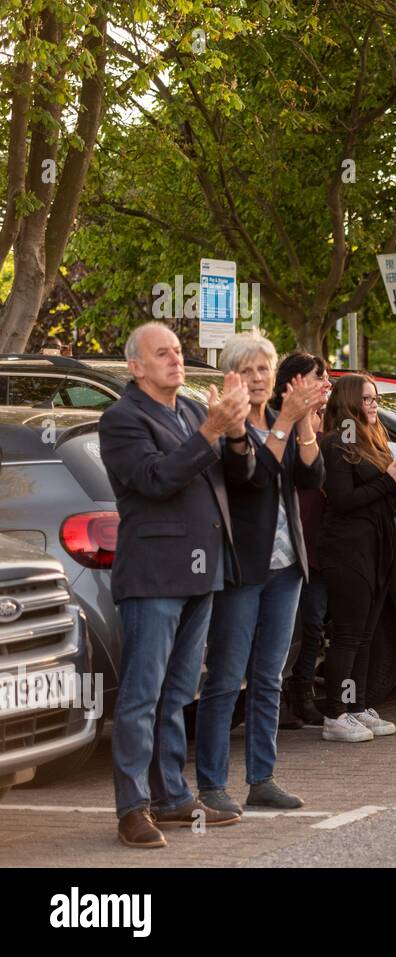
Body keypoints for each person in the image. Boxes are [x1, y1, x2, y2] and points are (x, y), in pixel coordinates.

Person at [99, 321, 254, 848]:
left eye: (178, 351)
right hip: (152, 575)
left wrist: (234, 434)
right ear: (136, 367)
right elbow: (157, 479)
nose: (176, 359)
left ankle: (171, 796)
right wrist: (211, 432)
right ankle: (131, 807)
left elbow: (240, 478)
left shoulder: (191, 410)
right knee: (142, 695)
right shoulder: (121, 419)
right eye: (161, 354)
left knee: (177, 694)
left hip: (200, 570)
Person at [195, 332, 326, 815]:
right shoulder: (233, 427)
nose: (256, 378)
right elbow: (252, 479)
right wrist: (287, 424)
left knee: (269, 677)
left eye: (263, 369)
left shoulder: (281, 419)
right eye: (246, 370)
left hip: (286, 568)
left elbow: (311, 479)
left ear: (276, 377)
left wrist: (304, 425)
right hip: (243, 569)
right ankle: (211, 785)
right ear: (231, 376)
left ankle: (262, 779)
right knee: (227, 678)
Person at [316, 374, 396, 741]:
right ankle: (334, 714)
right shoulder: (335, 443)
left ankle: (356, 706)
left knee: (366, 635)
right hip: (348, 549)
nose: (375, 405)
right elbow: (342, 500)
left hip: (379, 547)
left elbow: (385, 500)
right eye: (368, 399)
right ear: (348, 403)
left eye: (376, 399)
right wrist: (390, 481)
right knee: (348, 634)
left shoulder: (374, 441)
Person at [276, 353, 331, 727]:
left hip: (315, 543)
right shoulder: (275, 422)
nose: (325, 384)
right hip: (284, 546)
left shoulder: (322, 425)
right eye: (318, 377)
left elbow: (316, 475)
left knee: (312, 624)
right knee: (281, 631)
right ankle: (275, 698)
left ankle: (302, 690)